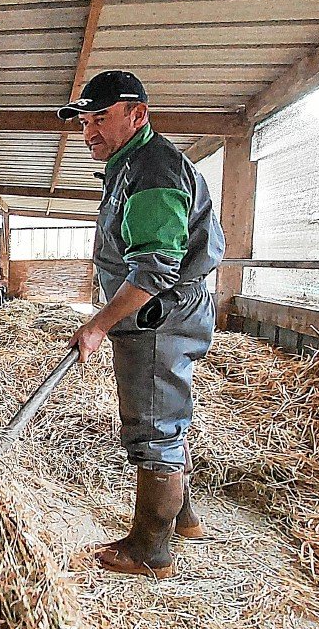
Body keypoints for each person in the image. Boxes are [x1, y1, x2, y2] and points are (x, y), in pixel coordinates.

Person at [57, 70, 225, 579]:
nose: (90, 132)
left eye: (102, 118)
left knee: (153, 424)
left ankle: (150, 548)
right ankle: (186, 519)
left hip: (158, 315)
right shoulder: (133, 164)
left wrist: (98, 324)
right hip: (167, 310)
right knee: (166, 412)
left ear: (138, 114)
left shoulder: (151, 172)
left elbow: (153, 271)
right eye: (86, 122)